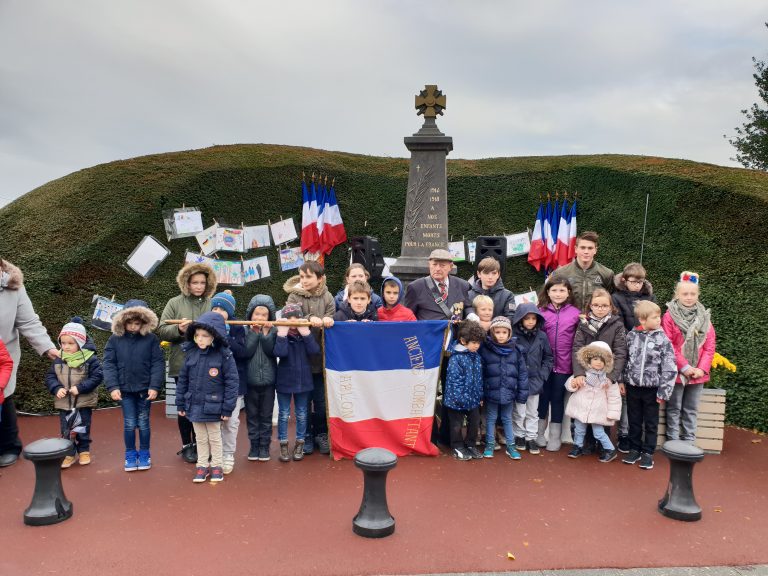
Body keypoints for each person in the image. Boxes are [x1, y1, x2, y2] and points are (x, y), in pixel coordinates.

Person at [0, 257, 58, 468]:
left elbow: (28, 321)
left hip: (3, 355)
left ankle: (8, 446)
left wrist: (48, 347)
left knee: (3, 396)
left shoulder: (13, 286)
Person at [157, 262, 217, 464]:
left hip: (207, 362)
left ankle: (203, 445)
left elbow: (220, 328)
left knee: (203, 404)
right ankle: (187, 445)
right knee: (184, 405)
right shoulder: (174, 303)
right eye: (194, 282)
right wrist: (180, 331)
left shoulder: (211, 303)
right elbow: (162, 329)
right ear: (187, 283)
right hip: (181, 363)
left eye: (202, 282)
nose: (199, 286)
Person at [175, 312, 239, 483]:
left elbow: (232, 383)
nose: (200, 339)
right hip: (194, 405)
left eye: (205, 336)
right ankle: (202, 466)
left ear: (214, 337)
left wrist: (227, 408)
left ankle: (216, 465)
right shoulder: (191, 354)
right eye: (197, 335)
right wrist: (180, 403)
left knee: (215, 438)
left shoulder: (224, 356)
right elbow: (183, 381)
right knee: (200, 438)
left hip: (214, 405)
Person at [103, 299, 165, 472]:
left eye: (137, 323)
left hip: (145, 389)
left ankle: (144, 452)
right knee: (129, 423)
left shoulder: (151, 339)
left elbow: (158, 363)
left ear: (144, 322)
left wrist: (154, 386)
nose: (132, 327)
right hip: (124, 390)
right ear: (123, 321)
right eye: (129, 323)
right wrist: (113, 387)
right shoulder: (114, 340)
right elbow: (108, 364)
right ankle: (130, 453)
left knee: (144, 422)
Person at [283, 260, 335, 455]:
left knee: (321, 401)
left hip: (320, 360)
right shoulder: (294, 296)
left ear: (320, 279)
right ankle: (304, 437)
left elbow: (331, 316)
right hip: (300, 359)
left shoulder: (328, 297)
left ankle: (321, 434)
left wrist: (329, 319)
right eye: (302, 276)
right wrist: (306, 320)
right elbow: (290, 319)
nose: (304, 280)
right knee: (303, 401)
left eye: (308, 277)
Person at [571, 288, 628, 453]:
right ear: (590, 306)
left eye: (604, 305)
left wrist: (611, 376)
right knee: (585, 407)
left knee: (601, 410)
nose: (600, 308)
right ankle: (585, 444)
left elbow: (620, 352)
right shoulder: (583, 325)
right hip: (588, 375)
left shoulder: (617, 325)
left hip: (605, 377)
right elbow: (577, 349)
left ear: (610, 306)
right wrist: (580, 373)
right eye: (596, 305)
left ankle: (604, 446)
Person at [662, 271, 716, 443]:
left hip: (698, 373)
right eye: (685, 294)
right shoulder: (669, 316)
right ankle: (673, 441)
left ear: (698, 295)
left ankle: (689, 442)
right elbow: (668, 344)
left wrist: (701, 369)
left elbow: (709, 346)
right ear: (677, 295)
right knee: (674, 408)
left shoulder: (705, 318)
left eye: (693, 294)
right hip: (677, 371)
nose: (689, 297)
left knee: (691, 409)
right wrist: (684, 367)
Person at [622, 300, 677, 470]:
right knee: (634, 420)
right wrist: (621, 381)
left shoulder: (663, 340)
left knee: (651, 422)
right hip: (632, 387)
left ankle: (648, 452)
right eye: (654, 317)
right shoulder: (631, 336)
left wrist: (664, 391)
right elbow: (625, 360)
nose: (658, 320)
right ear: (642, 320)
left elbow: (670, 367)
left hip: (652, 389)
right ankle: (634, 449)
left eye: (659, 316)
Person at [45, 319, 103, 468]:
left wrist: (81, 388)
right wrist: (56, 388)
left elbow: (97, 377)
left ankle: (84, 451)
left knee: (83, 427)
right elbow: (50, 377)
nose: (66, 347)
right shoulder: (59, 359)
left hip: (83, 401)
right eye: (63, 343)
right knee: (66, 430)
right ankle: (69, 454)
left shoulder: (91, 358)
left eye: (70, 343)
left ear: (80, 342)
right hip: (65, 403)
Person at [273, 303, 321, 462]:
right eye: (288, 317)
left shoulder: (304, 334)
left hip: (303, 380)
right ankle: (284, 444)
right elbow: (280, 353)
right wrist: (281, 335)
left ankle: (300, 442)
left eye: (296, 317)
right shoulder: (281, 334)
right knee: (284, 414)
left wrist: (306, 334)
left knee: (301, 413)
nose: (292, 320)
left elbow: (314, 351)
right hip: (284, 380)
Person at [537, 278, 580, 452]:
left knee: (557, 400)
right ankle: (539, 433)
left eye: (562, 290)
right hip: (543, 364)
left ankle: (555, 436)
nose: (558, 294)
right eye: (554, 290)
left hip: (564, 365)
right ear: (548, 292)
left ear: (568, 292)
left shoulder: (576, 314)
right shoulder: (540, 312)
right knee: (542, 398)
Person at [210, 291, 249, 474]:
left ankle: (228, 454)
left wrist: (225, 337)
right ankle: (215, 454)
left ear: (229, 311)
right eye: (214, 308)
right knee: (213, 421)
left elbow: (243, 352)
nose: (217, 311)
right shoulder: (206, 326)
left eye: (221, 308)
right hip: (213, 383)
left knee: (231, 421)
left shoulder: (237, 327)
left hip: (234, 383)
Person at [479, 316, 529, 459]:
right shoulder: (486, 349)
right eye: (498, 332)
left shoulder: (516, 351)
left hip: (509, 392)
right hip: (491, 392)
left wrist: (522, 393)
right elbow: (481, 373)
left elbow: (523, 374)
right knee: (491, 418)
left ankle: (511, 446)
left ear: (509, 333)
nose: (501, 335)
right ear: (492, 332)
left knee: (507, 418)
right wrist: (481, 393)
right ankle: (489, 444)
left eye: (504, 332)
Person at [565, 341, 621, 463]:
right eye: (595, 359)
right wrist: (573, 384)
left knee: (599, 432)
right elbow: (569, 385)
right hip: (581, 407)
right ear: (589, 359)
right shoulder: (582, 374)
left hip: (598, 411)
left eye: (602, 360)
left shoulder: (608, 380)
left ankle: (610, 450)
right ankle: (577, 446)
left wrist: (613, 414)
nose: (598, 362)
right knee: (579, 429)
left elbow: (614, 398)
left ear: (606, 363)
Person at [512, 303, 553, 455]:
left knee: (532, 412)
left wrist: (542, 375)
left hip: (536, 380)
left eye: (533, 318)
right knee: (519, 411)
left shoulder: (542, 336)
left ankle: (531, 437)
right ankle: (519, 436)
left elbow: (548, 357)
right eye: (526, 318)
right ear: (520, 319)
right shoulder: (514, 336)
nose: (530, 321)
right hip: (518, 380)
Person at [443, 321, 485, 460]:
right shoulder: (456, 358)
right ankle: (457, 446)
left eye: (478, 343)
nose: (476, 346)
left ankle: (471, 445)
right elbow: (454, 381)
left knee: (474, 423)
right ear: (463, 341)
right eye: (473, 342)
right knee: (456, 425)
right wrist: (459, 398)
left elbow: (478, 379)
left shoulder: (476, 357)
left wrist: (480, 396)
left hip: (473, 399)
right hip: (456, 401)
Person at [243, 295, 277, 462]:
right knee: (252, 415)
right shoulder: (245, 330)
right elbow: (247, 352)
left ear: (269, 317)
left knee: (266, 415)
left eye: (264, 315)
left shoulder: (273, 330)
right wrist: (255, 333)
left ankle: (264, 446)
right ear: (250, 315)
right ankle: (254, 445)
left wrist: (265, 334)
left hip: (269, 381)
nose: (260, 318)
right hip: (250, 380)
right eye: (257, 314)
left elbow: (271, 351)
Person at [548, 231, 614, 311]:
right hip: (569, 321)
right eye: (582, 248)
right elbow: (551, 298)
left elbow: (611, 301)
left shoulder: (607, 273)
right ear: (576, 249)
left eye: (590, 248)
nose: (586, 252)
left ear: (595, 250)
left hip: (596, 321)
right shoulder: (561, 273)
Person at [404, 249, 471, 321]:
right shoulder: (416, 287)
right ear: (429, 265)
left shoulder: (463, 285)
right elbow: (408, 316)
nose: (437, 269)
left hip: (455, 331)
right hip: (429, 331)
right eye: (434, 264)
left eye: (442, 265)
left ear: (450, 267)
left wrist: (471, 314)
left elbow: (468, 307)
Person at [466, 256, 515, 320]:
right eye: (486, 273)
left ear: (498, 274)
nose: (490, 277)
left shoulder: (508, 295)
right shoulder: (468, 295)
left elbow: (511, 317)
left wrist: (492, 325)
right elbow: (464, 315)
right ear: (479, 274)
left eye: (494, 273)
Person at [612, 262, 657, 332]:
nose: (637, 285)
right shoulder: (616, 298)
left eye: (640, 282)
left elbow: (655, 320)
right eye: (633, 282)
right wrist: (632, 337)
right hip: (625, 339)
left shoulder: (651, 298)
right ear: (625, 281)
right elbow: (618, 323)